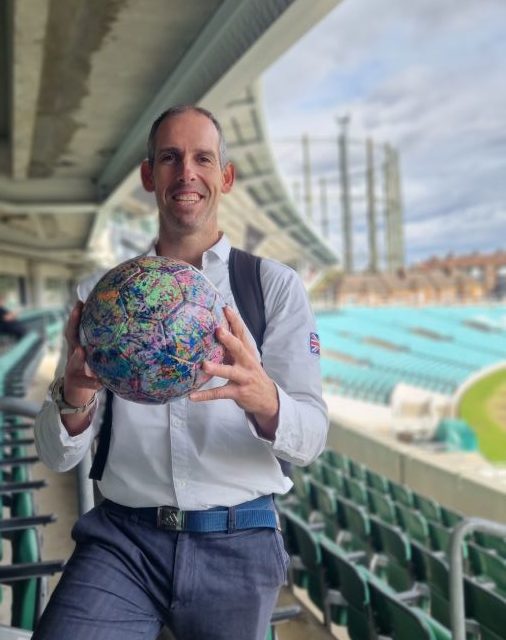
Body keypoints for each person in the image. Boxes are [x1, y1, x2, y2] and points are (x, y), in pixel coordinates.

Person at [33, 105, 328, 640]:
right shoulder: (102, 296)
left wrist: (264, 399)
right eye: (170, 158)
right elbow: (57, 456)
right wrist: (74, 396)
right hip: (122, 539)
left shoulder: (272, 287)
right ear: (149, 176)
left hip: (238, 540)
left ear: (226, 177)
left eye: (202, 159)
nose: (186, 172)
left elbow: (311, 439)